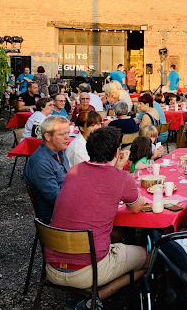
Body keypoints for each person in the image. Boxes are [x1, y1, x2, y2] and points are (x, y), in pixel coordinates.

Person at [45, 127, 148, 302]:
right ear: (117, 152)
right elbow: (136, 208)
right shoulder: (122, 177)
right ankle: (95, 299)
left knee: (112, 235)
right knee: (148, 258)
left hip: (52, 267)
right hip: (88, 271)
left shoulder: (73, 171)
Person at [23, 116, 70, 224]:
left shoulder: (60, 151)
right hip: (56, 217)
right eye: (62, 134)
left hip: (67, 206)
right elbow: (56, 198)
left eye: (68, 133)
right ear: (47, 136)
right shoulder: (40, 162)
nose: (67, 137)